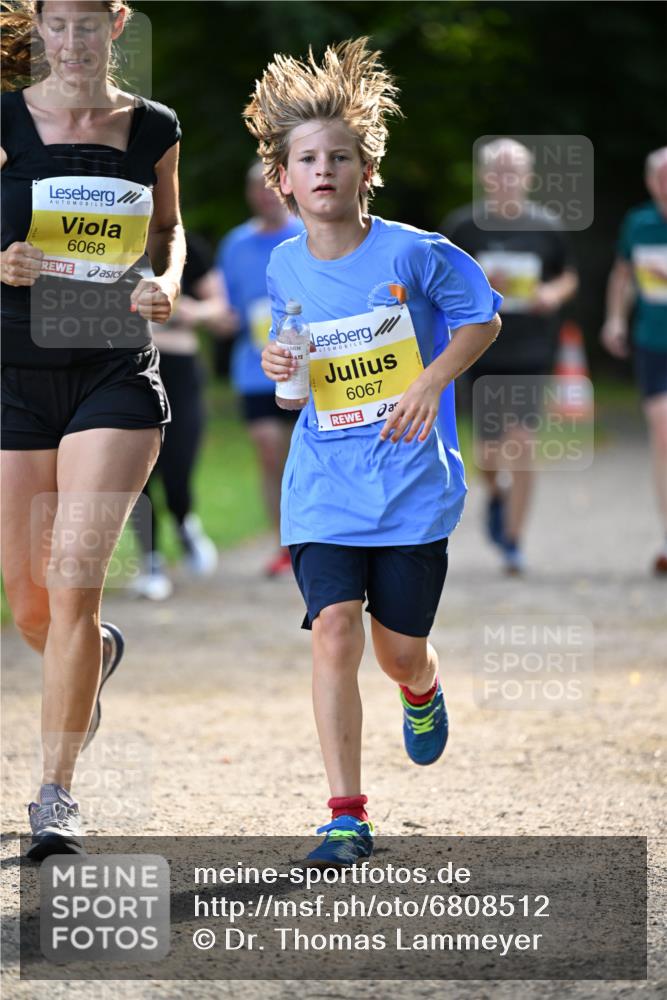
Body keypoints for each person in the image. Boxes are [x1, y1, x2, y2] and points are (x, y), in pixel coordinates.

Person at [245, 38, 502, 866]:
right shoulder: (282, 265)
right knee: (332, 631)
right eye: (306, 159)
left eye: (339, 157)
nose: (323, 170)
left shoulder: (414, 251)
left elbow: (482, 319)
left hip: (410, 488)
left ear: (365, 171)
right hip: (323, 483)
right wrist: (279, 366)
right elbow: (291, 377)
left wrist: (428, 383)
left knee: (396, 649)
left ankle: (421, 689)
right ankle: (345, 814)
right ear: (282, 180)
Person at [0, 0, 185, 859]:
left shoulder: (151, 127)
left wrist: (166, 280)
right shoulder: (4, 119)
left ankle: (55, 795)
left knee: (74, 587)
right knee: (32, 609)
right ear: (39, 28)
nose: (72, 41)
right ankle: (97, 654)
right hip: (15, 374)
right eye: (57, 24)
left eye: (87, 23)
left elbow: (168, 231)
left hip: (113, 367)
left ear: (116, 24)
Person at [442, 139, 578, 574]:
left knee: (522, 442)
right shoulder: (463, 227)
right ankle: (496, 495)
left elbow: (567, 276)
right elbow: (442, 279)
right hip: (478, 347)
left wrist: (550, 294)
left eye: (513, 171)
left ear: (528, 177)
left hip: (532, 347)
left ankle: (514, 541)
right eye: (497, 171)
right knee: (487, 451)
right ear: (484, 176)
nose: (505, 179)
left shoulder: (547, 226)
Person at [129, 231, 230, 601]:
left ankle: (184, 520)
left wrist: (192, 311)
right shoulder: (113, 240)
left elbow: (220, 306)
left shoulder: (186, 247)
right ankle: (151, 562)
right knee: (134, 470)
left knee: (178, 465)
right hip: (125, 367)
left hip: (180, 368)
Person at [215, 162, 303, 576]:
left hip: (306, 361)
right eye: (258, 189)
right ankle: (283, 542)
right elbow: (226, 303)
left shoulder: (307, 233)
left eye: (272, 188)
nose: (266, 196)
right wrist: (221, 318)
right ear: (251, 194)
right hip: (254, 367)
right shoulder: (235, 244)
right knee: (270, 450)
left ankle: (319, 536)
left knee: (304, 451)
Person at [601, 147, 667, 575]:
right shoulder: (639, 224)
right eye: (662, 176)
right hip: (652, 342)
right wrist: (615, 320)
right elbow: (623, 275)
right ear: (650, 182)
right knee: (663, 434)